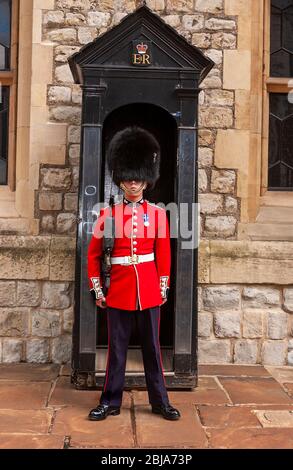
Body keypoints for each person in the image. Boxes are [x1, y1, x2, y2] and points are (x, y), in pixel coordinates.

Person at [87, 126, 181, 421]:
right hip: (118, 290)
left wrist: (162, 287)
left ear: (146, 179)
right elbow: (93, 255)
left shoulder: (157, 214)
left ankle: (160, 401)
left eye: (139, 177)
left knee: (152, 350)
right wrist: (99, 291)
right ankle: (110, 401)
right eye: (128, 178)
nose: (133, 183)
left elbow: (164, 254)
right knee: (117, 350)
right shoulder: (108, 214)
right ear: (121, 179)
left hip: (149, 290)